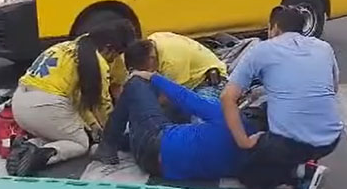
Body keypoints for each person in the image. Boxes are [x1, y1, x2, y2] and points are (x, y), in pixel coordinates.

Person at [219, 6, 343, 189]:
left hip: (289, 144)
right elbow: (333, 88)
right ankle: (305, 160)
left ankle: (301, 172)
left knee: (249, 175)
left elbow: (227, 97)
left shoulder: (262, 49)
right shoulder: (323, 47)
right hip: (330, 139)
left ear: (274, 28)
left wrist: (244, 142)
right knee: (269, 108)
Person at [7, 21, 136, 176]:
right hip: (46, 107)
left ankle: (26, 146)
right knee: (80, 143)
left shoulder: (65, 47)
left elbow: (79, 100)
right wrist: (111, 135)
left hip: (19, 104)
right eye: (117, 54)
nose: (116, 58)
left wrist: (93, 125)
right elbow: (102, 104)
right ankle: (39, 156)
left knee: (63, 133)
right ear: (109, 48)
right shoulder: (97, 63)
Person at [92, 71, 259, 182]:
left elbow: (186, 98)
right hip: (160, 168)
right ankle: (124, 141)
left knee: (137, 83)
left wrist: (153, 76)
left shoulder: (228, 117)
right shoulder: (258, 157)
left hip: (152, 145)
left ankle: (107, 145)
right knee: (177, 113)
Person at [123, 32, 227, 100]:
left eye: (147, 70)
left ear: (151, 58)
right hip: (188, 76)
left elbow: (170, 95)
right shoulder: (154, 38)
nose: (148, 73)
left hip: (207, 81)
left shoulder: (172, 62)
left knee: (200, 117)